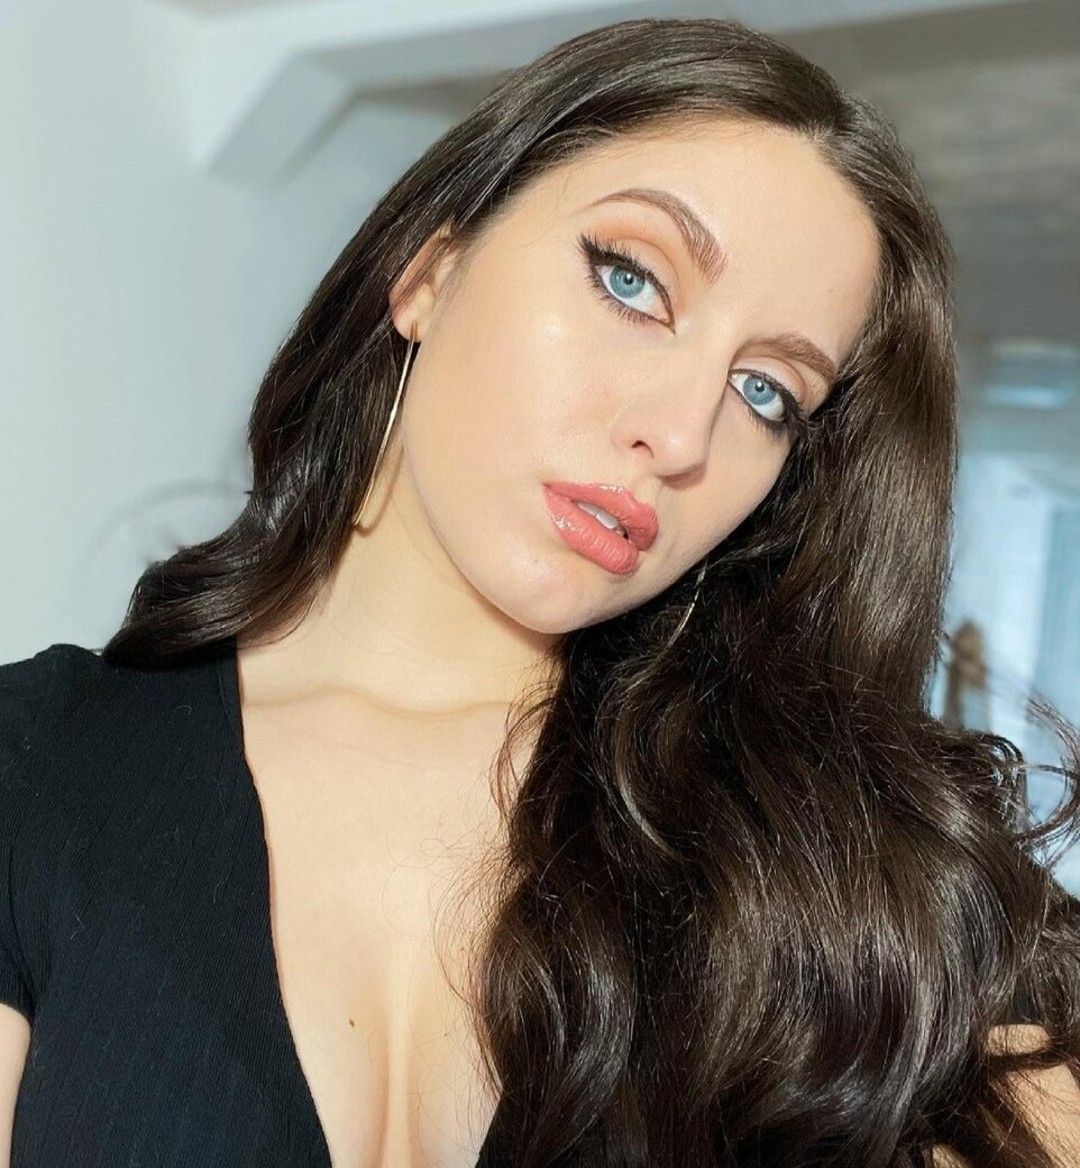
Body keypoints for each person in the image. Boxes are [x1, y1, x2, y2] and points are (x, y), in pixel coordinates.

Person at [2, 16, 1078, 1168]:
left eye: (765, 391)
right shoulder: (40, 770)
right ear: (430, 271)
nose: (679, 434)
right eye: (633, 280)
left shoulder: (821, 875)